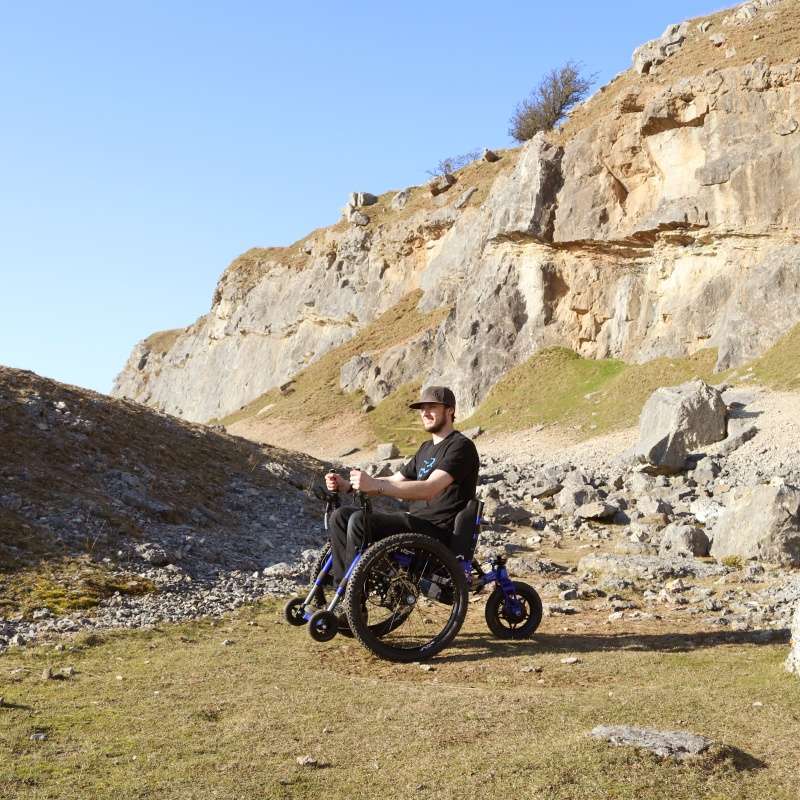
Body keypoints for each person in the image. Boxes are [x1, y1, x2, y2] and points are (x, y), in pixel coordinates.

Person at [325, 385, 480, 584]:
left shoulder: (461, 446)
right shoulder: (426, 448)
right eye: (422, 408)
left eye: (432, 407)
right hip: (414, 523)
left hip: (437, 531)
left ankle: (352, 597)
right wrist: (349, 486)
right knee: (340, 516)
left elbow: (429, 489)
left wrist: (375, 486)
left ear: (450, 410)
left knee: (359, 521)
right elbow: (395, 480)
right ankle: (342, 589)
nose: (425, 413)